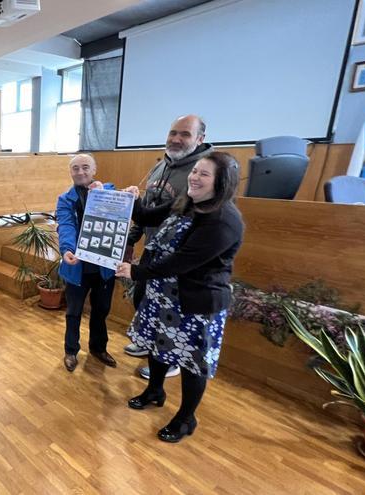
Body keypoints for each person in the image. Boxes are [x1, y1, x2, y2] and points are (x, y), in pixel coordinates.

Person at [116, 151, 244, 443]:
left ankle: (187, 417)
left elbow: (182, 262)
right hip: (164, 294)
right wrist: (133, 200)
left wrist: (135, 272)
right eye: (195, 171)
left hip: (195, 303)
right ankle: (155, 390)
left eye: (204, 174)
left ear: (222, 182)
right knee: (158, 344)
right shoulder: (184, 202)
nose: (195, 177)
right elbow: (146, 216)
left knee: (190, 361)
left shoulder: (224, 219)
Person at [123, 115, 212, 382]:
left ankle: (168, 360)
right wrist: (131, 239)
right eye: (173, 132)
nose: (176, 139)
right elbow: (148, 212)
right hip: (153, 248)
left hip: (179, 256)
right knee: (143, 299)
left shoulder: (203, 172)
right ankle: (147, 343)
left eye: (184, 134)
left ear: (200, 139)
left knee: (170, 313)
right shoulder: (160, 166)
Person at [56, 154, 118, 372]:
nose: (80, 172)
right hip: (76, 267)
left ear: (94, 169)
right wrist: (67, 250)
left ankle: (98, 348)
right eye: (75, 168)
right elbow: (65, 225)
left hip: (103, 267)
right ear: (70, 172)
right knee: (73, 311)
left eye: (85, 167)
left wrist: (102, 197)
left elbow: (118, 217)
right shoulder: (65, 199)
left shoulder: (109, 192)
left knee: (101, 310)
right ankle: (71, 350)